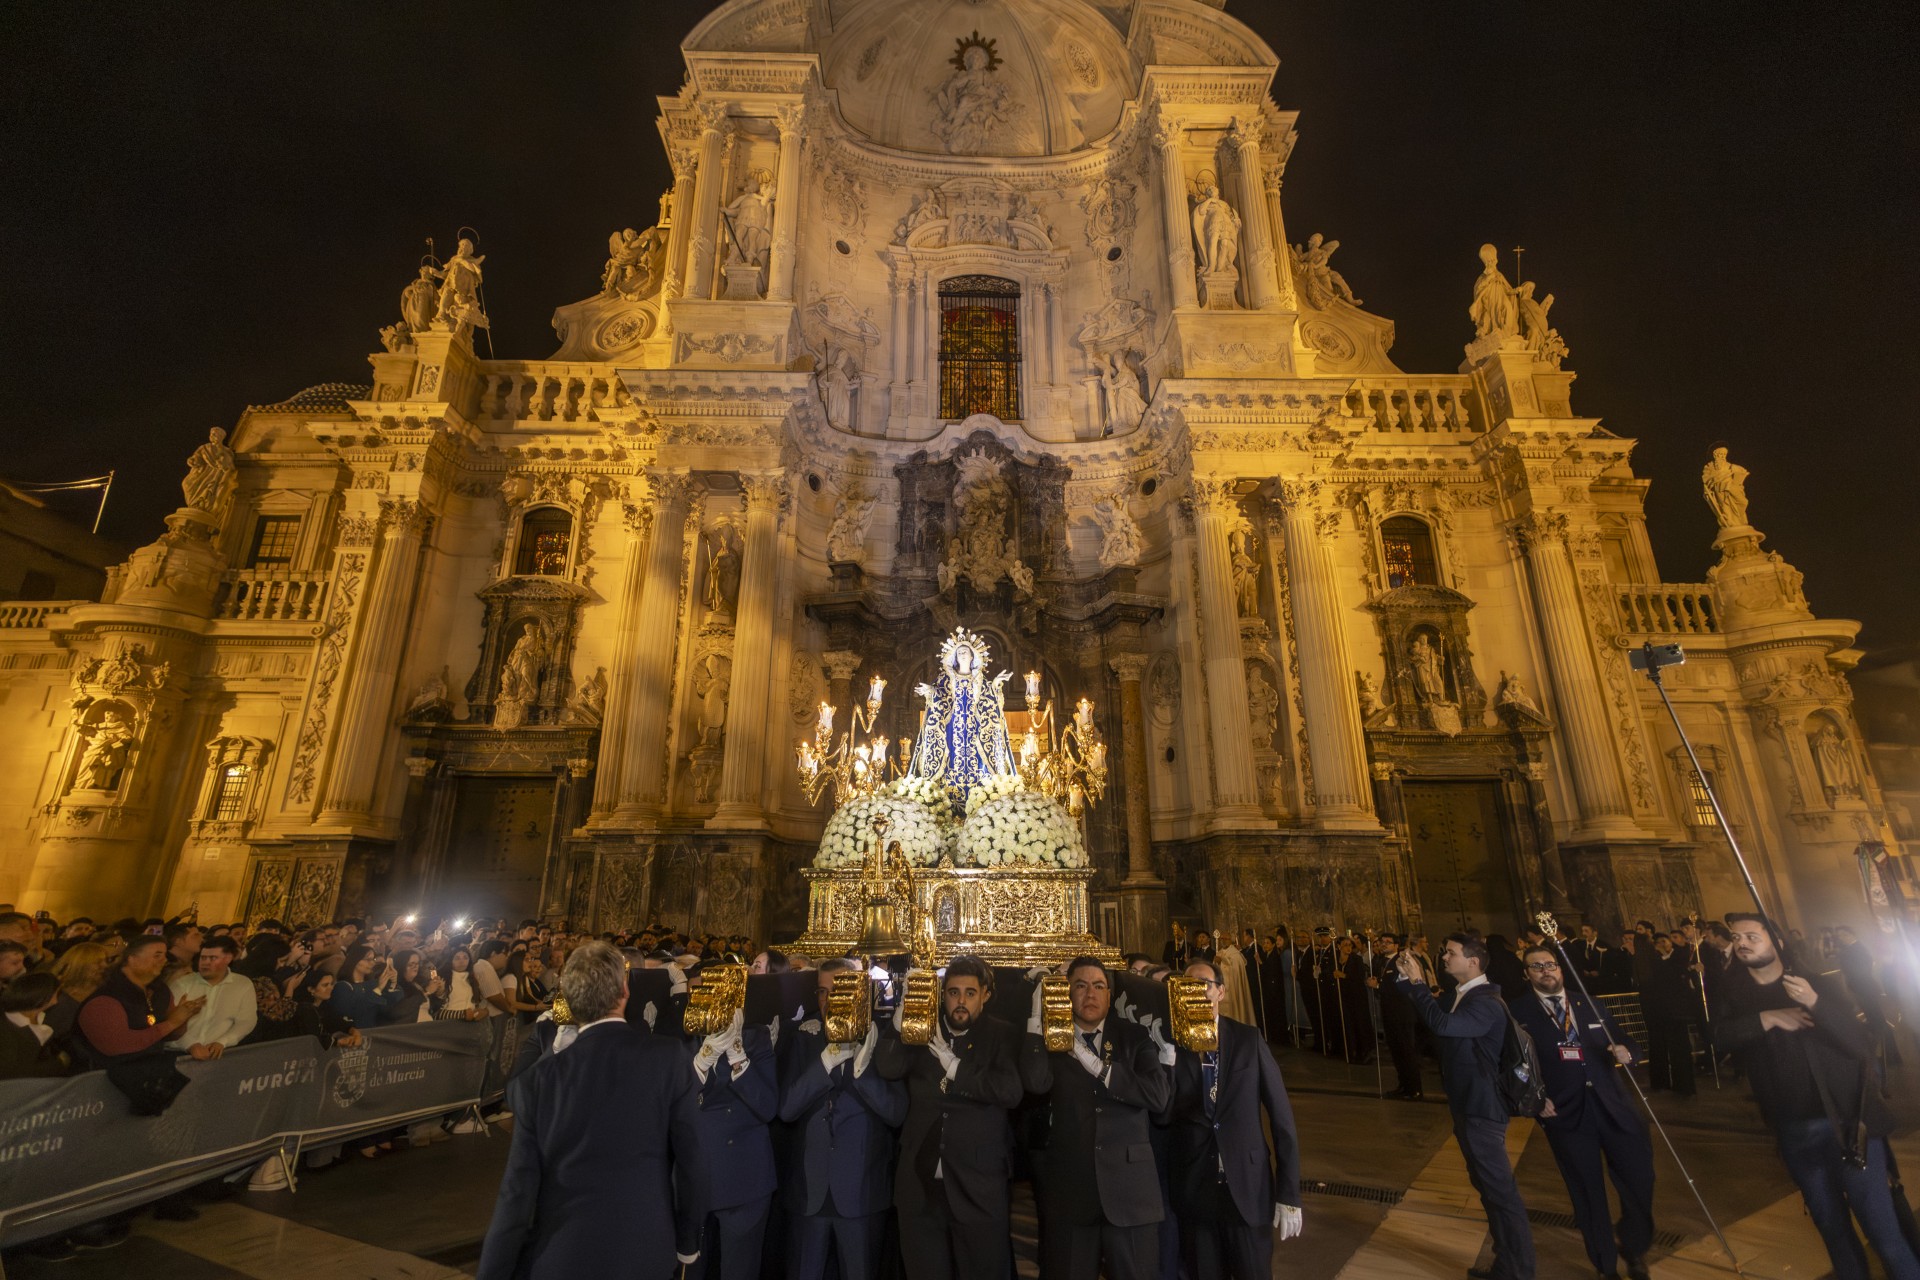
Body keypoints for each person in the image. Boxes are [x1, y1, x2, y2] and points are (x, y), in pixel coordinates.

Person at [477, 942, 707, 1280]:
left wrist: (493, 1272)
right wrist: (687, 1243)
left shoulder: (537, 1081)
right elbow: (692, 1163)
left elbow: (517, 1192)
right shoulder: (668, 1059)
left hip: (562, 1254)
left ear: (568, 1001)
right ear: (625, 990)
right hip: (643, 1250)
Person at [1713, 914, 1919, 1280]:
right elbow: (1720, 1037)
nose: (1742, 942)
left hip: (1848, 1126)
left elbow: (1860, 1044)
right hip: (1796, 1133)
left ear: (1776, 941)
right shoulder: (1734, 995)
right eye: (1735, 937)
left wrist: (1814, 1002)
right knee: (1834, 1233)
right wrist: (1768, 1018)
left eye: (1751, 936)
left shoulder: (1813, 984)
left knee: (1883, 1233)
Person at [1017, 958, 1171, 1280]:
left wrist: (1102, 1070)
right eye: (1081, 986)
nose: (1090, 994)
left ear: (1110, 994)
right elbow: (1034, 1083)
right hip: (1072, 1194)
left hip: (1130, 1193)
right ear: (1067, 993)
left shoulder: (1134, 1035)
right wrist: (1036, 1019)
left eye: (1099, 986)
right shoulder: (1053, 1040)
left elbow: (1157, 1097)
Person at [1394, 934, 1535, 1280]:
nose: (1443, 957)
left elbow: (1442, 1025)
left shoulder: (1485, 1002)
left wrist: (1418, 982)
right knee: (1488, 1190)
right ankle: (1506, 1265)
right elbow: (1423, 1005)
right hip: (1468, 1105)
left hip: (1482, 1108)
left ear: (1473, 961)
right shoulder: (1464, 996)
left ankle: (1520, 1270)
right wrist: (1407, 977)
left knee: (1501, 1195)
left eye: (1451, 953)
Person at [875, 955, 1024, 1280]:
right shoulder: (923, 1030)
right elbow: (888, 1067)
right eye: (954, 992)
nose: (961, 1001)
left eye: (970, 993)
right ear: (943, 994)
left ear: (984, 995)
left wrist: (954, 1068)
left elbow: (1009, 1091)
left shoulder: (1003, 1035)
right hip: (919, 1185)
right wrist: (904, 1013)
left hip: (978, 1185)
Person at [1512, 946, 1655, 1280]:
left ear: (1560, 968)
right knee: (1588, 1194)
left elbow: (1626, 1041)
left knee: (1640, 1179)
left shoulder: (1588, 1003)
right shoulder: (1518, 1012)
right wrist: (1533, 1100)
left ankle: (1633, 1247)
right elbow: (1513, 1064)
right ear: (1526, 974)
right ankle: (1606, 1267)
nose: (1545, 971)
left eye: (1550, 965)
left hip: (1614, 1108)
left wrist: (1626, 1052)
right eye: (1536, 967)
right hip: (1565, 1113)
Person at [1166, 959, 1302, 1280]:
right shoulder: (1172, 1045)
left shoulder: (1247, 1039)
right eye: (1189, 986)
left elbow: (1282, 1119)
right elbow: (1163, 1115)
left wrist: (1289, 1194)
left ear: (1221, 992)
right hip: (1196, 1191)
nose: (1197, 993)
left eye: (1204, 985)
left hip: (1247, 1188)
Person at [779, 959, 906, 1280]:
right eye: (822, 991)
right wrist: (825, 1062)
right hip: (810, 1195)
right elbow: (787, 1108)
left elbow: (895, 1113)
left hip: (862, 1197)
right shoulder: (805, 1038)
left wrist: (861, 1072)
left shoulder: (883, 1043)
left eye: (837, 991)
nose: (828, 1000)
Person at [686, 1000, 778, 1280]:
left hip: (744, 1177)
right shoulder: (677, 1037)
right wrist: (702, 1061)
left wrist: (738, 1057)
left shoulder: (755, 1038)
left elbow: (768, 1107)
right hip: (694, 1179)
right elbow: (667, 1106)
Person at [71, 936, 207, 1068]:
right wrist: (172, 1023)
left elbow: (171, 1035)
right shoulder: (107, 996)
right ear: (132, 959)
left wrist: (184, 1016)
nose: (164, 960)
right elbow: (118, 1046)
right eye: (157, 955)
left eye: (165, 956)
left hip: (146, 1071)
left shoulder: (160, 991)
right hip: (101, 1078)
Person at [167, 935, 256, 1056]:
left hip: (218, 1053)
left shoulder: (242, 984)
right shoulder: (183, 984)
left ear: (228, 958)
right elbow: (168, 1020)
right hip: (177, 1052)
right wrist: (190, 1044)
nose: (206, 963)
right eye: (203, 958)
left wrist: (222, 1042)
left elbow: (246, 1021)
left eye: (213, 958)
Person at [1642, 934, 1697, 1098]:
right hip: (1660, 1009)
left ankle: (1684, 1085)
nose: (1661, 945)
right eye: (1657, 943)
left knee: (1680, 1047)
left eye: (1664, 941)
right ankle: (1662, 1081)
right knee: (1663, 1045)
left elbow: (1676, 973)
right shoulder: (1654, 959)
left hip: (1677, 1009)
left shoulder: (1679, 955)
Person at [1369, 934, 1423, 1099]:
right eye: (1381, 942)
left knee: (1406, 1051)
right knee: (1396, 1052)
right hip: (1390, 1013)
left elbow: (1405, 986)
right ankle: (1404, 1085)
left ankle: (1415, 1089)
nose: (1383, 945)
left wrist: (1378, 985)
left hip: (1402, 1013)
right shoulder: (1382, 962)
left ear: (1396, 945)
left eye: (1388, 942)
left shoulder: (1402, 960)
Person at [0, 972, 66, 1078]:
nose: (56, 1001)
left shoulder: (46, 1016)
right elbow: (14, 1074)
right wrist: (59, 1063)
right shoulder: (6, 1034)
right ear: (41, 997)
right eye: (55, 995)